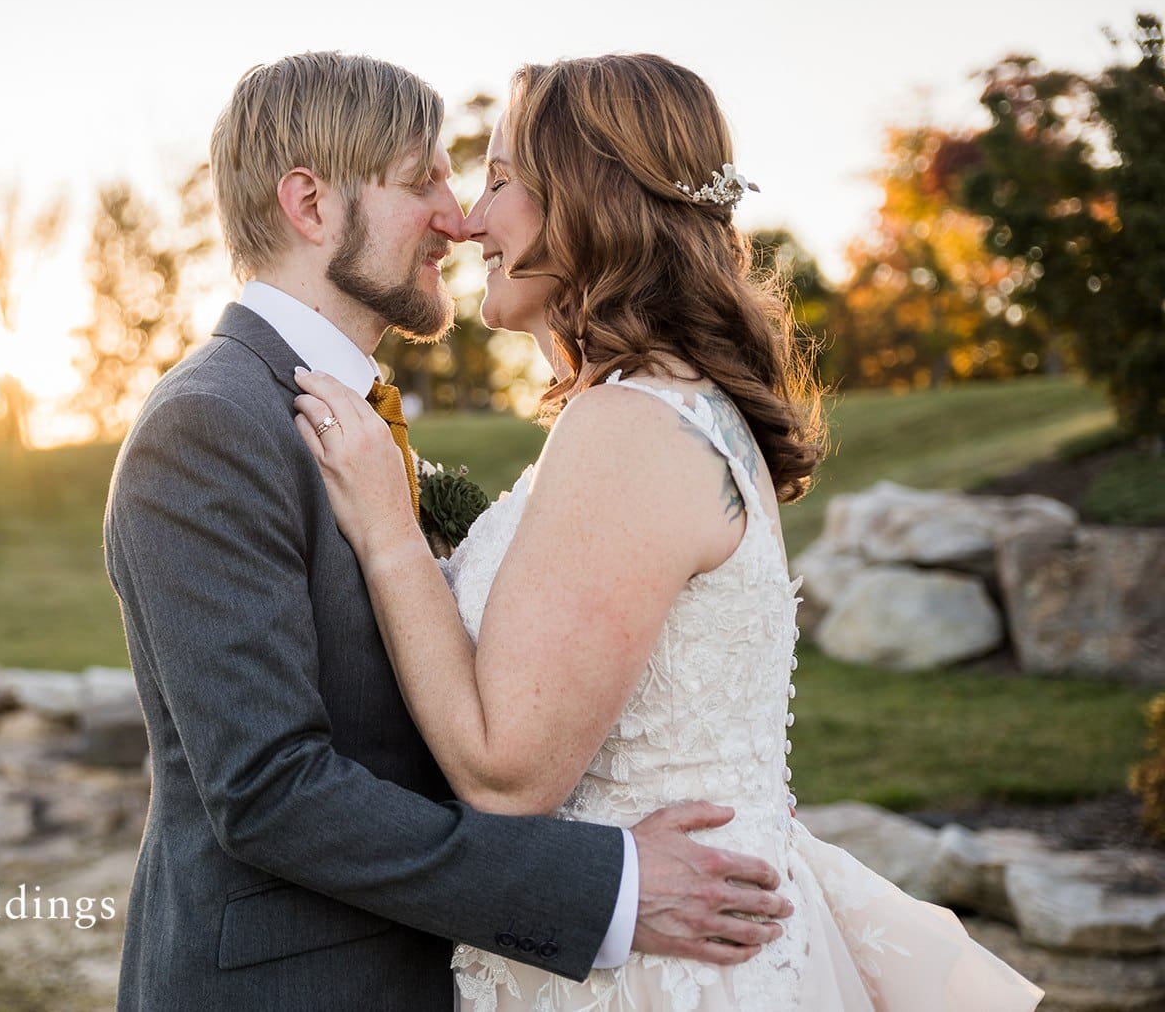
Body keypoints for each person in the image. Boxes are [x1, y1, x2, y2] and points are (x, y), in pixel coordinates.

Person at [292, 54, 1044, 1010]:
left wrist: (391, 533)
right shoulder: (665, 408)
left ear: (590, 198)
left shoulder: (633, 423)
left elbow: (505, 771)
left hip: (654, 971)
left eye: (501, 180)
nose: (470, 219)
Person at [103, 52, 794, 1012]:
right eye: (423, 177)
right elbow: (265, 787)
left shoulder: (363, 417)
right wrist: (606, 887)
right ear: (310, 204)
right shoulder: (210, 422)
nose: (457, 215)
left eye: (480, 179)